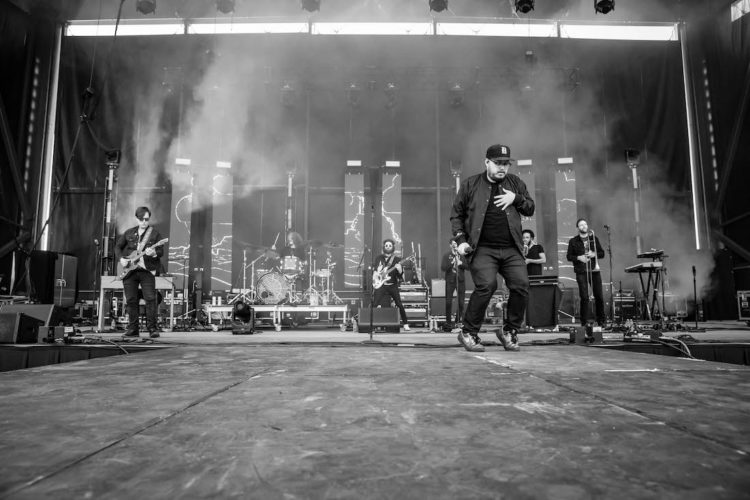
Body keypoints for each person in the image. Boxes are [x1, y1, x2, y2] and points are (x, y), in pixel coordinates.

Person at [450, 144, 535, 352]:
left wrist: (516, 198)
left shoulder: (515, 183)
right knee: (487, 285)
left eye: (506, 164)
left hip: (511, 248)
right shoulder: (471, 184)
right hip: (482, 248)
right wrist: (461, 241)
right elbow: (456, 215)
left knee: (521, 285)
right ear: (487, 162)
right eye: (498, 163)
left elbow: (530, 208)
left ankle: (509, 331)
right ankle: (468, 332)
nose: (502, 167)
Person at [116, 206, 164, 338]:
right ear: (137, 219)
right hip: (130, 271)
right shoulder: (129, 233)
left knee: (150, 298)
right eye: (142, 219)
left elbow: (161, 251)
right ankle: (133, 329)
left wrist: (153, 252)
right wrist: (121, 259)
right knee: (131, 299)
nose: (144, 222)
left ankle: (152, 328)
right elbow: (118, 247)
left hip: (146, 271)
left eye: (147, 219)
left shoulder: (154, 234)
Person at [566, 218, 606, 327]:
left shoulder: (594, 238)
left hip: (594, 270)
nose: (584, 226)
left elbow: (602, 253)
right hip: (581, 271)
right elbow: (569, 256)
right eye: (581, 225)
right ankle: (584, 322)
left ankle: (601, 320)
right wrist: (579, 257)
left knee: (599, 296)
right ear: (577, 228)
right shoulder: (573, 241)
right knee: (584, 297)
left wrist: (594, 254)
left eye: (585, 224)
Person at [372, 239, 410, 331]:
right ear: (384, 247)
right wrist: (375, 278)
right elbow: (375, 271)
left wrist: (400, 270)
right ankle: (371, 324)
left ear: (393, 247)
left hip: (392, 285)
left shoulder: (397, 260)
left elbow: (399, 276)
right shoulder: (378, 258)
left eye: (390, 245)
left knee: (399, 304)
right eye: (386, 245)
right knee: (375, 304)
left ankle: (405, 324)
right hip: (381, 285)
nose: (388, 247)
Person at [440, 240, 467, 332]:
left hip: (460, 280)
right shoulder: (446, 255)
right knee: (448, 302)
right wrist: (452, 262)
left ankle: (457, 321)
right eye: (454, 243)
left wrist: (461, 263)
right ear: (450, 245)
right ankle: (448, 323)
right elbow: (443, 268)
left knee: (461, 303)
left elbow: (468, 266)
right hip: (450, 280)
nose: (456, 245)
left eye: (457, 243)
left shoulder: (462, 255)